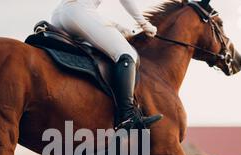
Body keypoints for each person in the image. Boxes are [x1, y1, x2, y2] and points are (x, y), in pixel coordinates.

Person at [51, 0, 162, 130]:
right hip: (78, 12)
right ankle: (127, 116)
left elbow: (89, 10)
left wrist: (117, 27)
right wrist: (144, 23)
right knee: (127, 53)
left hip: (59, 15)